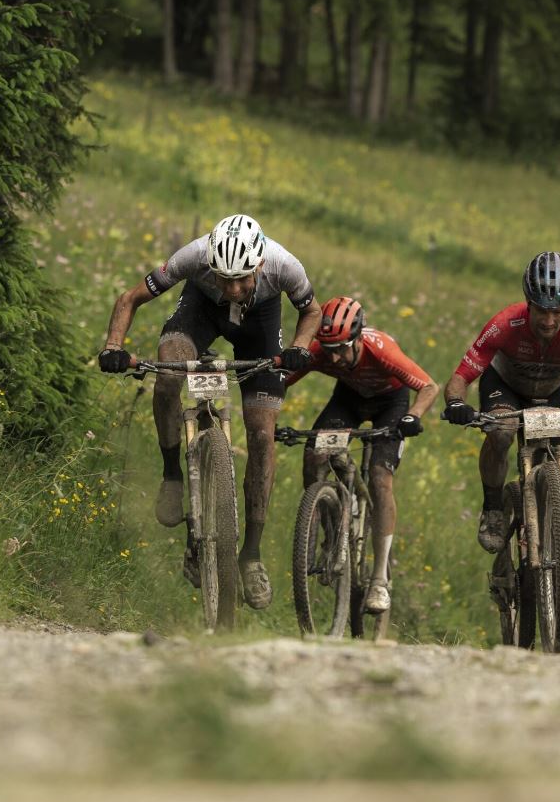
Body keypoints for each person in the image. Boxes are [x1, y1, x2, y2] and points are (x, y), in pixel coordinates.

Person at [98, 214, 321, 609]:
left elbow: (313, 311)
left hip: (261, 327)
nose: (233, 289)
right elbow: (130, 298)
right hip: (200, 312)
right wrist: (114, 346)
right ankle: (172, 474)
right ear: (210, 265)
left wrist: (300, 346)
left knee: (262, 434)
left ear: (260, 266)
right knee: (168, 372)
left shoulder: (285, 264)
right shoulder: (193, 257)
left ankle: (250, 554)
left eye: (242, 279)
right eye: (224, 278)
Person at [441, 251, 560, 559]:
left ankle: (555, 583)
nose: (548, 320)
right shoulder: (504, 324)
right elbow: (459, 379)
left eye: (557, 311)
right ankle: (492, 507)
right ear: (528, 303)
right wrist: (455, 403)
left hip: (550, 394)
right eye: (541, 311)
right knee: (502, 432)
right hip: (503, 387)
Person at [282, 296, 439, 613]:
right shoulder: (322, 351)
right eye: (329, 351)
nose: (336, 358)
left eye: (342, 348)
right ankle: (329, 533)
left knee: (380, 479)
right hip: (349, 399)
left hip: (390, 404)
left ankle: (379, 579)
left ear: (357, 337)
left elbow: (429, 387)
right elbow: (281, 380)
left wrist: (413, 417)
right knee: (314, 454)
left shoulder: (380, 350)